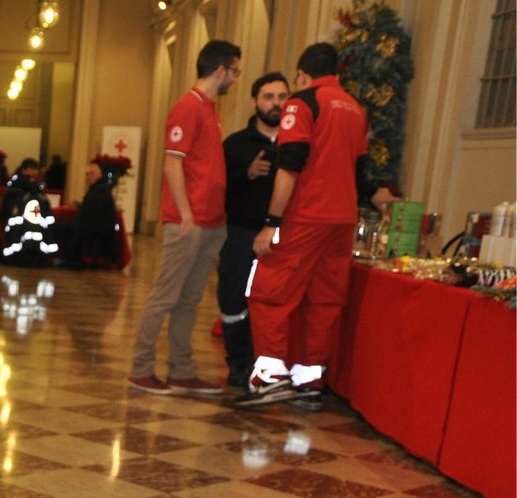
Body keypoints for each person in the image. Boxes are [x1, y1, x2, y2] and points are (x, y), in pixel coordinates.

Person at [237, 42, 369, 412]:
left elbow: (291, 162)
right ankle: (309, 379)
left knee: (268, 291)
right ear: (338, 75)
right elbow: (361, 173)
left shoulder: (303, 102)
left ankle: (268, 376)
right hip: (342, 221)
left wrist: (271, 223)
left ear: (301, 76)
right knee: (323, 299)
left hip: (305, 217)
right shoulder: (356, 110)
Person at [127, 39, 242, 397]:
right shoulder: (187, 107)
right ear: (220, 70)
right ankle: (141, 368)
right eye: (235, 71)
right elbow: (173, 162)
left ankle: (182, 369)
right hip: (187, 221)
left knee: (189, 300)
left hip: (210, 221)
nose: (236, 78)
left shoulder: (211, 110)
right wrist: (187, 215)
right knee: (165, 296)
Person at [217, 72, 290, 389]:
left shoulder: (297, 143)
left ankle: (271, 367)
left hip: (284, 238)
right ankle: (238, 364)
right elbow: (216, 189)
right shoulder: (234, 145)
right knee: (233, 298)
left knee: (276, 305)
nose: (276, 104)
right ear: (254, 102)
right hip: (240, 234)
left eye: (282, 97)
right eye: (269, 97)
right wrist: (244, 173)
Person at [55, 156, 129, 269]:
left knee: (61, 229)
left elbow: (92, 217)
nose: (89, 177)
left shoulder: (99, 191)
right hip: (93, 230)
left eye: (92, 173)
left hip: (92, 234)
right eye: (87, 174)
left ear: (100, 175)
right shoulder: (100, 190)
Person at [0, 157, 58, 266]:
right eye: (32, 169)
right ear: (24, 170)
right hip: (19, 221)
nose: (35, 172)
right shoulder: (19, 183)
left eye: (36, 169)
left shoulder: (30, 183)